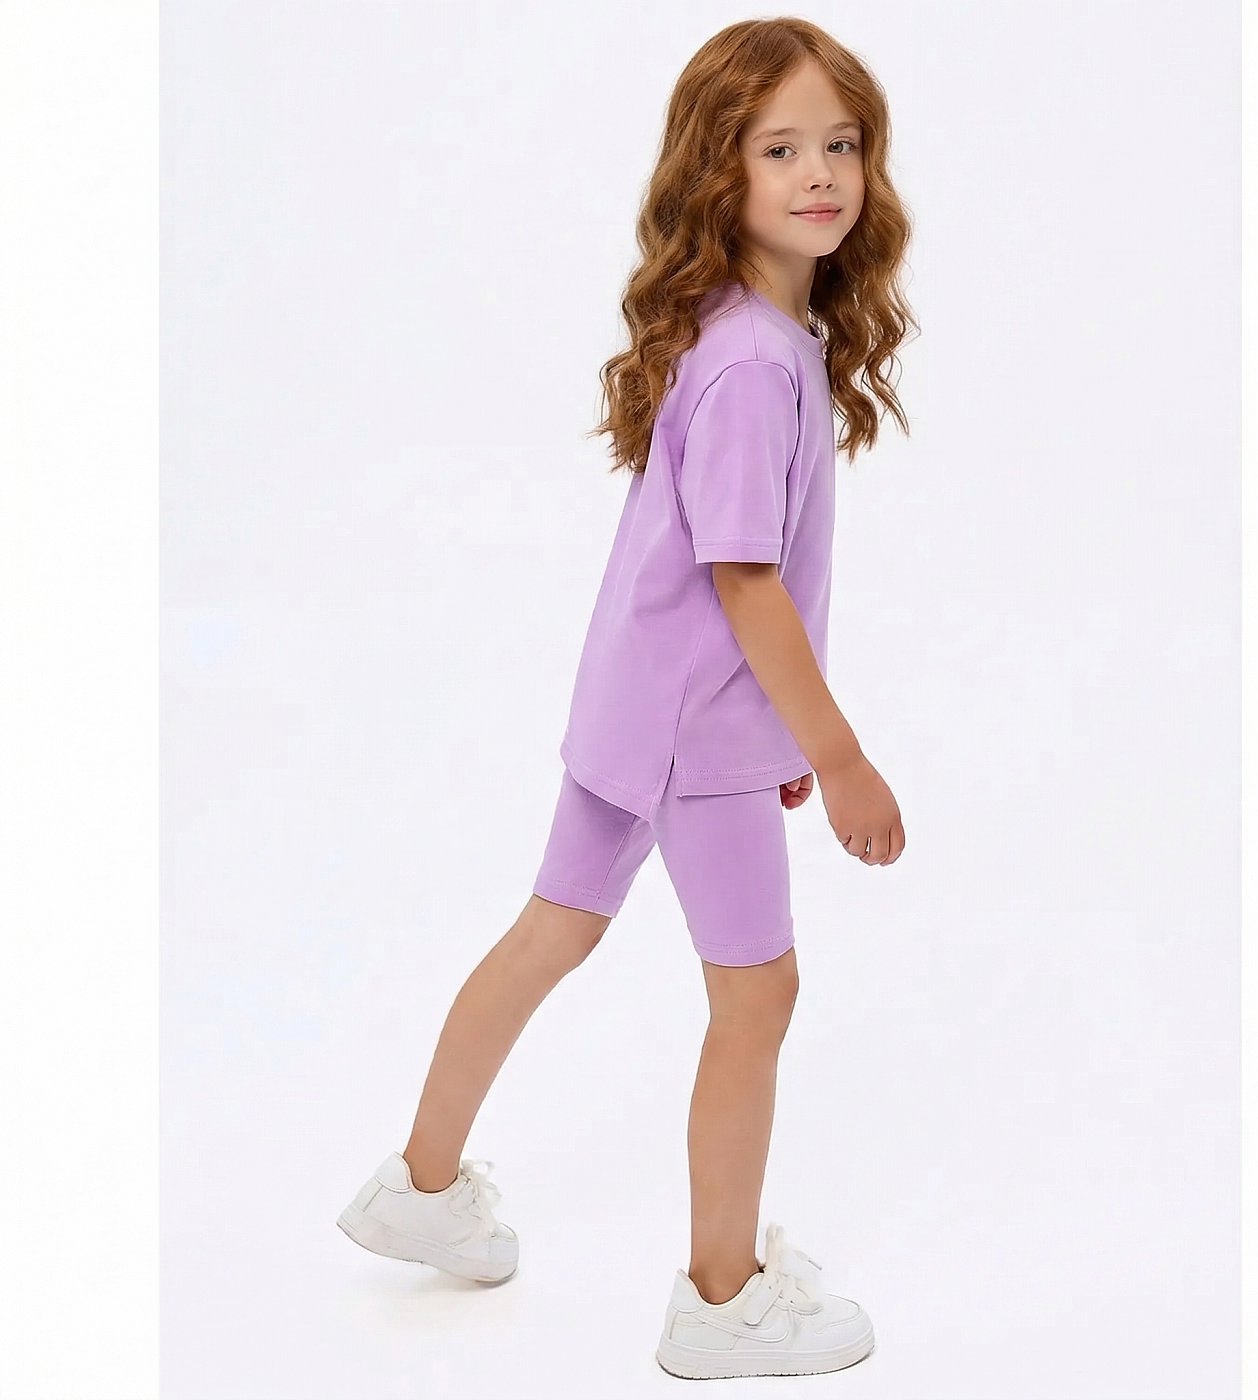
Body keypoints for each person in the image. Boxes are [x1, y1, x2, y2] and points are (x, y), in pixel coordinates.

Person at [336, 15, 916, 1381]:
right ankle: (723, 1301)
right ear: (720, 171)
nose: (819, 173)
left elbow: (720, 579)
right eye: (779, 149)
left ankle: (421, 1189)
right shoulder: (756, 364)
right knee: (757, 993)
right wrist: (837, 754)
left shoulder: (742, 330)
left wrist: (775, 729)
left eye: (840, 144)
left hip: (638, 710)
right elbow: (745, 584)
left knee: (552, 930)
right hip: (693, 734)